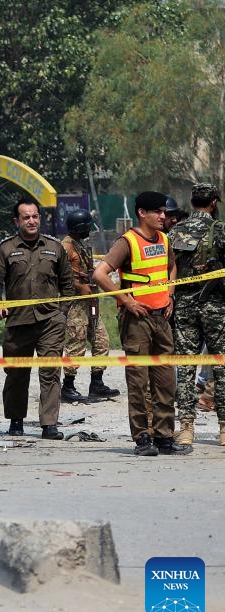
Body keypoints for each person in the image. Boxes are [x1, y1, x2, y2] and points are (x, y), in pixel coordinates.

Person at [93, 191, 191, 456]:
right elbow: (100, 274)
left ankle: (164, 437)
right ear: (141, 214)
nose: (163, 216)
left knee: (165, 381)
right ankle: (143, 438)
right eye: (157, 212)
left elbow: (171, 267)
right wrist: (126, 301)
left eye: (163, 212)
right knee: (138, 381)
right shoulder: (128, 242)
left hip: (162, 319)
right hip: (137, 321)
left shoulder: (164, 239)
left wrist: (170, 294)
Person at [0, 198, 74, 440]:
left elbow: (67, 284)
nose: (32, 220)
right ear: (17, 221)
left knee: (50, 372)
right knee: (16, 373)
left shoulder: (55, 247)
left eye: (35, 216)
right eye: (26, 217)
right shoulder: (6, 248)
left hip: (50, 321)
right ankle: (16, 420)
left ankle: (49, 424)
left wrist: (62, 314)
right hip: (18, 321)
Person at [167, 183, 225, 447]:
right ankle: (224, 430)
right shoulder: (221, 230)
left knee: (186, 367)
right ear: (214, 203)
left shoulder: (175, 230)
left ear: (192, 203)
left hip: (185, 306)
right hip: (216, 308)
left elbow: (170, 268)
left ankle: (187, 427)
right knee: (221, 367)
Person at [61, 209, 119, 402]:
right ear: (80, 227)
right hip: (75, 304)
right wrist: (79, 287)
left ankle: (97, 383)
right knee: (76, 343)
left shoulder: (82, 246)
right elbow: (58, 277)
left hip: (91, 301)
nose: (90, 229)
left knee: (101, 340)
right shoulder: (66, 247)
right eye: (87, 226)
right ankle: (68, 386)